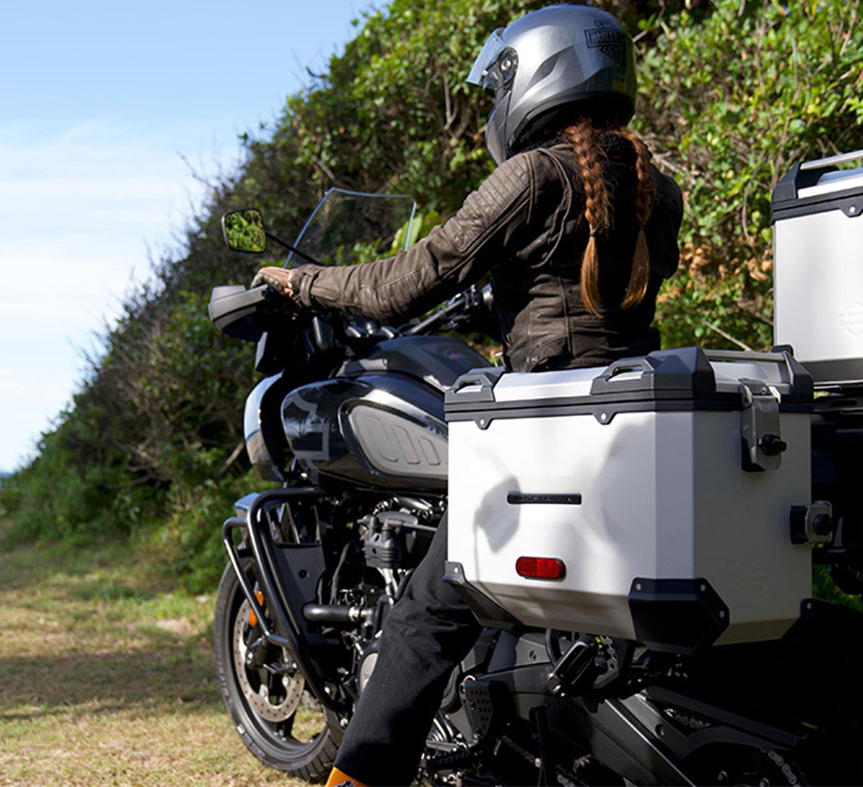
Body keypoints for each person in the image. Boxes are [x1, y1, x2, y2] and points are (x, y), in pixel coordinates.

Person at [252, 5, 683, 785]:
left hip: (545, 432)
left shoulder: (532, 176)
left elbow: (399, 284)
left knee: (426, 614)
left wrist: (302, 282)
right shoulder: (658, 185)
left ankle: (358, 776)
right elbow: (593, 290)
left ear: (536, 76)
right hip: (633, 420)